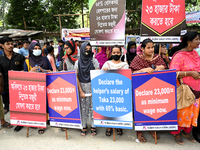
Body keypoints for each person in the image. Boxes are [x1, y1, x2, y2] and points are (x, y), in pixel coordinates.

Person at [129, 38, 167, 143]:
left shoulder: (157, 57)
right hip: (141, 89)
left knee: (153, 108)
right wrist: (143, 70)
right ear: (142, 48)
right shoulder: (138, 58)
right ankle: (139, 132)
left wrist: (161, 67)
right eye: (148, 47)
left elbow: (164, 67)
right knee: (140, 109)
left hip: (155, 88)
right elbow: (131, 72)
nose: (151, 50)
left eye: (152, 47)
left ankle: (151, 128)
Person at [169, 32, 200, 145]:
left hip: (197, 90)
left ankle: (187, 132)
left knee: (193, 113)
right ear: (189, 42)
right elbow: (173, 73)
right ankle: (177, 133)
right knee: (182, 112)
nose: (198, 41)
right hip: (185, 90)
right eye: (196, 39)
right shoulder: (179, 56)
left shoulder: (195, 53)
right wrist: (190, 73)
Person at [24, 41, 53, 134]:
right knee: (36, 104)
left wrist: (43, 70)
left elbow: (51, 71)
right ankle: (38, 121)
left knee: (45, 103)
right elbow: (23, 76)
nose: (37, 50)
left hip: (45, 85)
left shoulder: (45, 59)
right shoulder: (27, 61)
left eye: (38, 48)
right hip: (33, 87)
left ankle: (44, 121)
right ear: (31, 50)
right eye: (35, 49)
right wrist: (30, 72)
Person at [102, 45, 129, 136]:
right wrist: (104, 71)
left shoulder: (125, 65)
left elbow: (127, 79)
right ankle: (109, 126)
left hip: (120, 91)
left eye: (118, 52)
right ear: (111, 53)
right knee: (109, 109)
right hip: (108, 91)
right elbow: (100, 78)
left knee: (119, 109)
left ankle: (119, 126)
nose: (116, 54)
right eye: (114, 52)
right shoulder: (107, 64)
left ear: (121, 53)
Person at [0, 36, 25, 131]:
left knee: (20, 105)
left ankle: (21, 123)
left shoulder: (19, 57)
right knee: (12, 105)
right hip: (6, 86)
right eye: (8, 44)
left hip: (19, 86)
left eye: (11, 43)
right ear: (2, 45)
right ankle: (16, 121)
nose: (11, 46)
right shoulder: (0, 59)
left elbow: (24, 71)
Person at [75, 42, 99, 136]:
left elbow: (97, 76)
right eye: (85, 49)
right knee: (83, 107)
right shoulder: (78, 62)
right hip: (81, 85)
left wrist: (95, 89)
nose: (87, 51)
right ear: (81, 50)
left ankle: (94, 126)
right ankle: (84, 126)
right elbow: (76, 76)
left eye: (89, 49)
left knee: (93, 106)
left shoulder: (94, 61)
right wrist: (80, 91)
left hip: (92, 85)